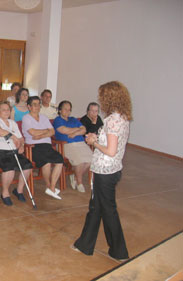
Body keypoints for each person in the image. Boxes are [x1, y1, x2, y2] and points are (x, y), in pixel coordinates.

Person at [73, 81, 132, 261]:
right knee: (96, 207)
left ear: (109, 98)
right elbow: (112, 142)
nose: (100, 99)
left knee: (108, 210)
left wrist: (94, 142)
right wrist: (97, 137)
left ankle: (119, 251)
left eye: (102, 96)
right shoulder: (122, 117)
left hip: (105, 171)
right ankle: (84, 244)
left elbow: (110, 150)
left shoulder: (112, 120)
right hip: (111, 169)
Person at [0, 101, 32, 206]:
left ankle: (19, 190)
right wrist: (13, 137)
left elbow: (21, 138)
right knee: (9, 168)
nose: (6, 112)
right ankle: (5, 192)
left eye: (8, 109)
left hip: (13, 151)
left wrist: (21, 145)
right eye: (3, 110)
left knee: (27, 166)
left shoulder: (13, 123)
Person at [22, 96, 63, 200]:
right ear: (29, 106)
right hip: (33, 147)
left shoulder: (44, 117)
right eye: (34, 104)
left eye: (38, 104)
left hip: (46, 145)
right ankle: (49, 186)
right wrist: (46, 131)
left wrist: (40, 135)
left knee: (60, 160)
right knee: (47, 162)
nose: (37, 106)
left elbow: (52, 131)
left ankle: (52, 187)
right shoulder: (26, 118)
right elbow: (32, 132)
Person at [53, 100, 92, 193]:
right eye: (65, 109)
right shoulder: (57, 120)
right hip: (66, 144)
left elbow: (84, 130)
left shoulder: (73, 119)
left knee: (91, 160)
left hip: (80, 143)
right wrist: (77, 130)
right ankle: (79, 182)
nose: (67, 111)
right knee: (80, 162)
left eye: (69, 110)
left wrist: (74, 133)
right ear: (60, 110)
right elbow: (63, 130)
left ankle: (74, 176)